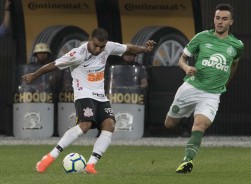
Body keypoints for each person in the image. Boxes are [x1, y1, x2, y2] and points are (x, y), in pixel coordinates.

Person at [22, 28, 155, 174]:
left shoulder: (108, 47)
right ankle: (50, 156)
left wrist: (144, 49)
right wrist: (34, 75)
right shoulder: (77, 54)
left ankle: (91, 165)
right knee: (85, 125)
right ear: (89, 39)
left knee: (110, 125)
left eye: (101, 47)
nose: (98, 49)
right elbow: (53, 65)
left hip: (100, 97)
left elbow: (128, 48)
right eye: (95, 45)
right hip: (84, 95)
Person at [164, 4, 244, 174]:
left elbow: (234, 64)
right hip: (191, 88)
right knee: (169, 124)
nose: (220, 22)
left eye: (224, 19)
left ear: (231, 22)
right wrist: (186, 69)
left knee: (200, 125)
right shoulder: (201, 37)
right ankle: (182, 117)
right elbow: (182, 59)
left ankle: (187, 161)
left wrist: (225, 83)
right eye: (217, 18)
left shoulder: (237, 45)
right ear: (214, 19)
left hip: (212, 94)